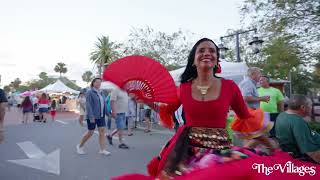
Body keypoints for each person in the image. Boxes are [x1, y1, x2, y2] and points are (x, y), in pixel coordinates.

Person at [114, 38, 280, 179]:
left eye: (212, 51)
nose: (207, 53)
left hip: (219, 152)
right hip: (186, 152)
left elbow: (246, 116)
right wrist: (145, 100)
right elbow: (166, 111)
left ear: (216, 60)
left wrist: (269, 144)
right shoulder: (184, 88)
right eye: (201, 50)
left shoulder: (230, 87)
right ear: (193, 59)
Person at [276, 94, 320, 163]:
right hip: (300, 158)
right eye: (310, 105)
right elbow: (311, 153)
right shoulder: (298, 122)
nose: (311, 108)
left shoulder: (282, 115)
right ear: (303, 107)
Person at [238, 68, 274, 149]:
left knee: (251, 136)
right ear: (253, 74)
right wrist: (262, 98)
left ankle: (246, 154)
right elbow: (246, 98)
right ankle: (273, 149)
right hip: (249, 114)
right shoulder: (248, 83)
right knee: (259, 136)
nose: (260, 76)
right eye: (259, 74)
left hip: (248, 113)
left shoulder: (250, 83)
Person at [77, 78, 110, 156]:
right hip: (93, 116)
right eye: (97, 82)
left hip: (101, 115)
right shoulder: (89, 92)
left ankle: (102, 149)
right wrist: (91, 117)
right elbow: (88, 105)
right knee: (90, 132)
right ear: (93, 83)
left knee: (102, 131)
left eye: (100, 82)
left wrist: (108, 114)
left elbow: (104, 104)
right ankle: (80, 146)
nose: (99, 83)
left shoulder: (101, 92)